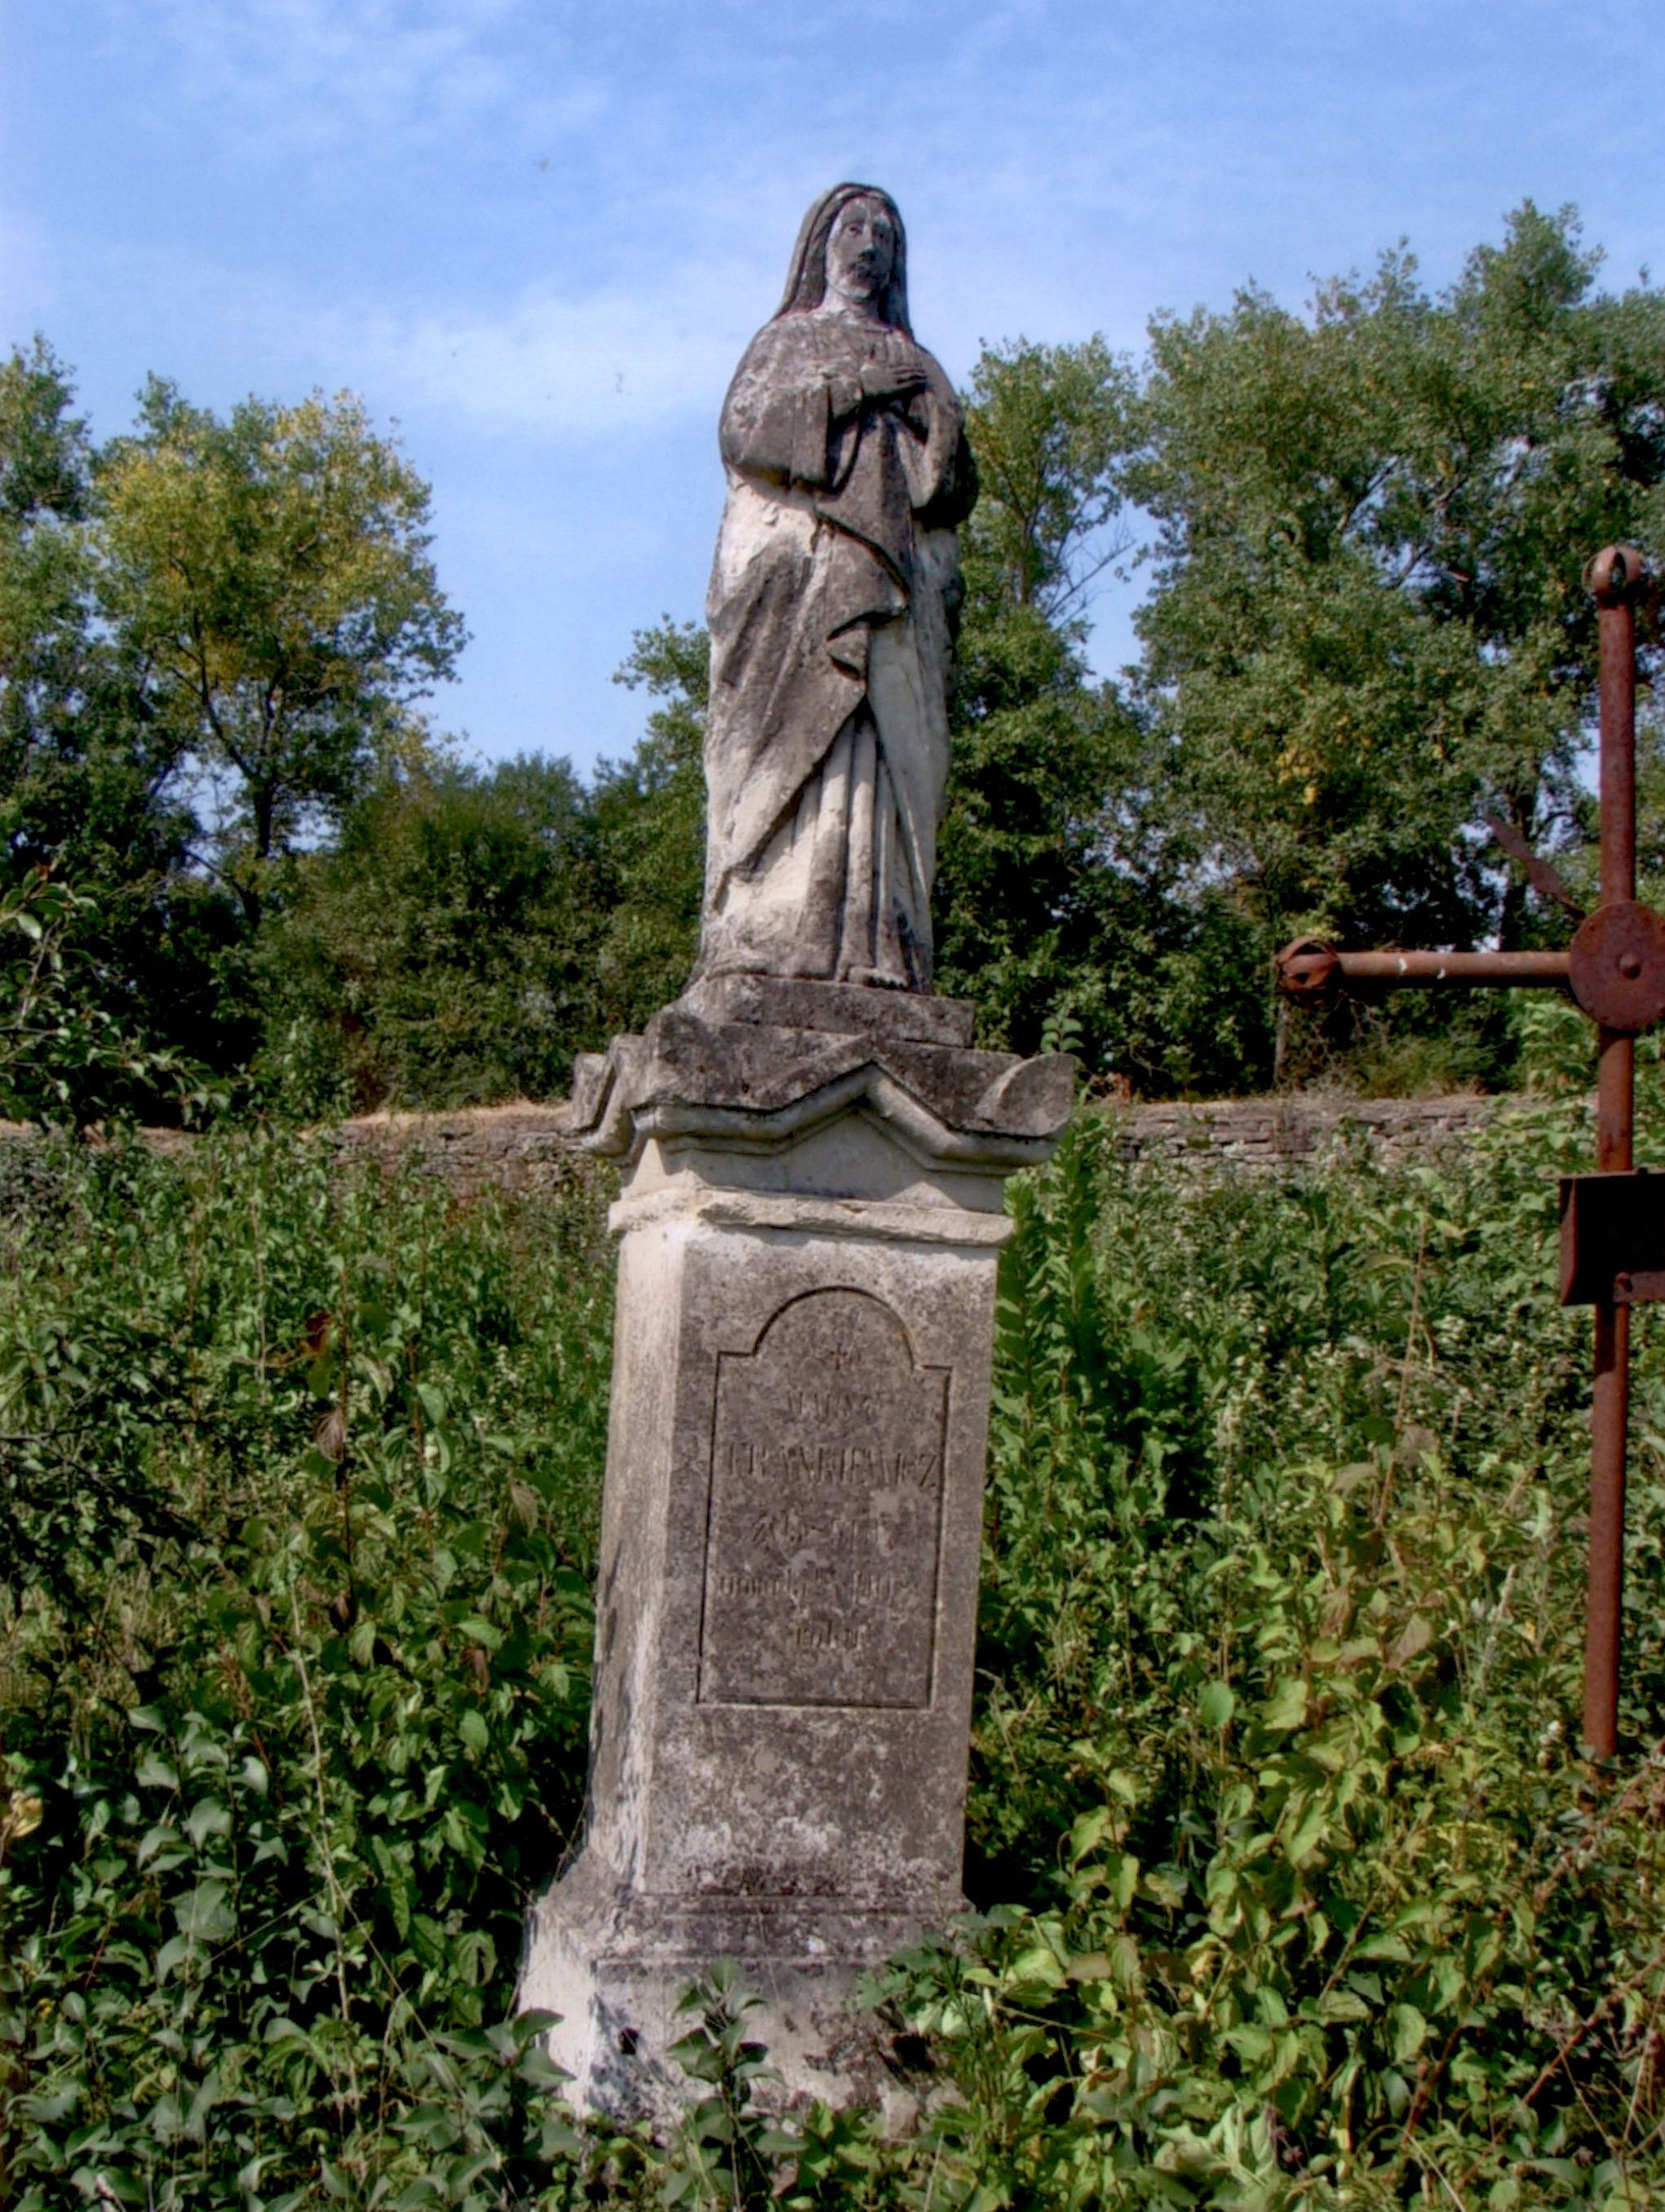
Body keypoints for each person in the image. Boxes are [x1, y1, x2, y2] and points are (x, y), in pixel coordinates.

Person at [695, 184, 977, 991]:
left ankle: (876, 946)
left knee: (879, 754)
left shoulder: (917, 363)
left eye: (884, 235)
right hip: (797, 600)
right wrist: (858, 393)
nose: (868, 246)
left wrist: (930, 412)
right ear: (820, 245)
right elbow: (745, 432)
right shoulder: (786, 341)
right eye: (852, 229)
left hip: (889, 609)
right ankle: (765, 936)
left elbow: (949, 487)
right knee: (794, 748)